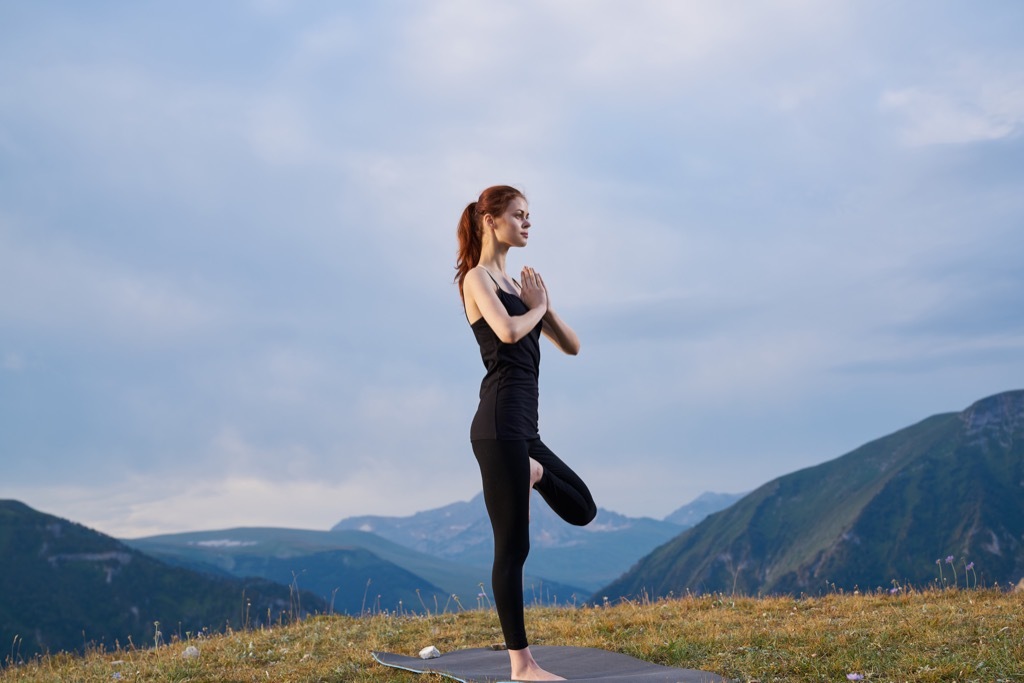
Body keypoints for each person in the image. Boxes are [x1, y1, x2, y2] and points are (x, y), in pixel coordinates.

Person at [454, 185, 597, 681]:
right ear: (490, 221)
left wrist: (544, 305)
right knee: (513, 549)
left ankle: (533, 473)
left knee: (583, 507)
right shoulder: (477, 279)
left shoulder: (518, 286)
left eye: (529, 215)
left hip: (525, 431)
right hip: (497, 427)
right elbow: (509, 332)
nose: (528, 223)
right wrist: (534, 310)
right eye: (519, 215)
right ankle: (523, 666)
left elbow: (573, 346)